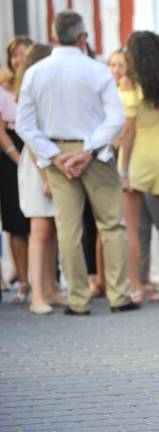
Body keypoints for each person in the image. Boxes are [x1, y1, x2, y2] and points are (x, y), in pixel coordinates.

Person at [16, 10, 137, 315]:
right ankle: (118, 294)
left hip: (57, 154)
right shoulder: (97, 70)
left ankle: (78, 299)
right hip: (94, 153)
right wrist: (88, 151)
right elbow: (116, 118)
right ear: (83, 37)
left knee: (68, 228)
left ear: (55, 36)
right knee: (111, 224)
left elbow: (24, 125)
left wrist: (55, 155)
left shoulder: (35, 72)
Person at [117, 31, 159, 304]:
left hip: (136, 158)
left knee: (132, 229)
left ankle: (134, 287)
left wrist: (123, 170)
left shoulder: (129, 82)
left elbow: (129, 131)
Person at [13, 43, 67, 315]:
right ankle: (37, 296)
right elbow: (31, 140)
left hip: (49, 161)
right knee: (40, 230)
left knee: (52, 230)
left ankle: (50, 288)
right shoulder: (29, 93)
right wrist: (46, 177)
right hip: (37, 164)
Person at [0, 36, 32, 304]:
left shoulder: (37, 83)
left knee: (42, 222)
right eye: (14, 55)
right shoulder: (3, 88)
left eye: (23, 54)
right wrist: (18, 156)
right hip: (11, 155)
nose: (18, 59)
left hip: (37, 150)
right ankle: (23, 281)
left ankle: (47, 279)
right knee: (16, 222)